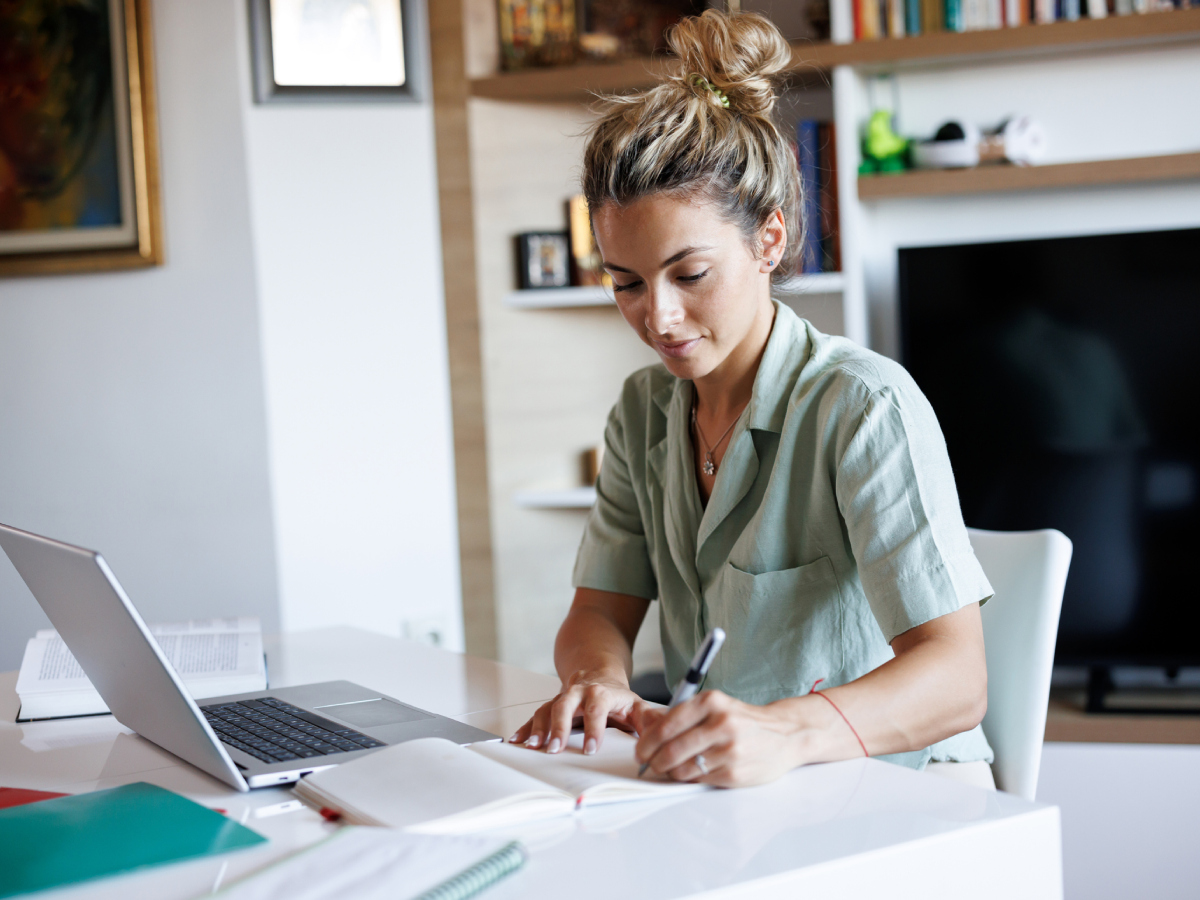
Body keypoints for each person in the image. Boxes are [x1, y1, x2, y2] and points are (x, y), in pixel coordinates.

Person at [510, 9, 996, 789]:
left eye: (689, 275)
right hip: (737, 792)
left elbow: (957, 681)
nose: (658, 317)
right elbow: (599, 610)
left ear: (769, 241)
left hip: (901, 787)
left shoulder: (865, 406)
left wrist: (784, 734)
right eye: (626, 283)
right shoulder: (642, 413)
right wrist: (598, 678)